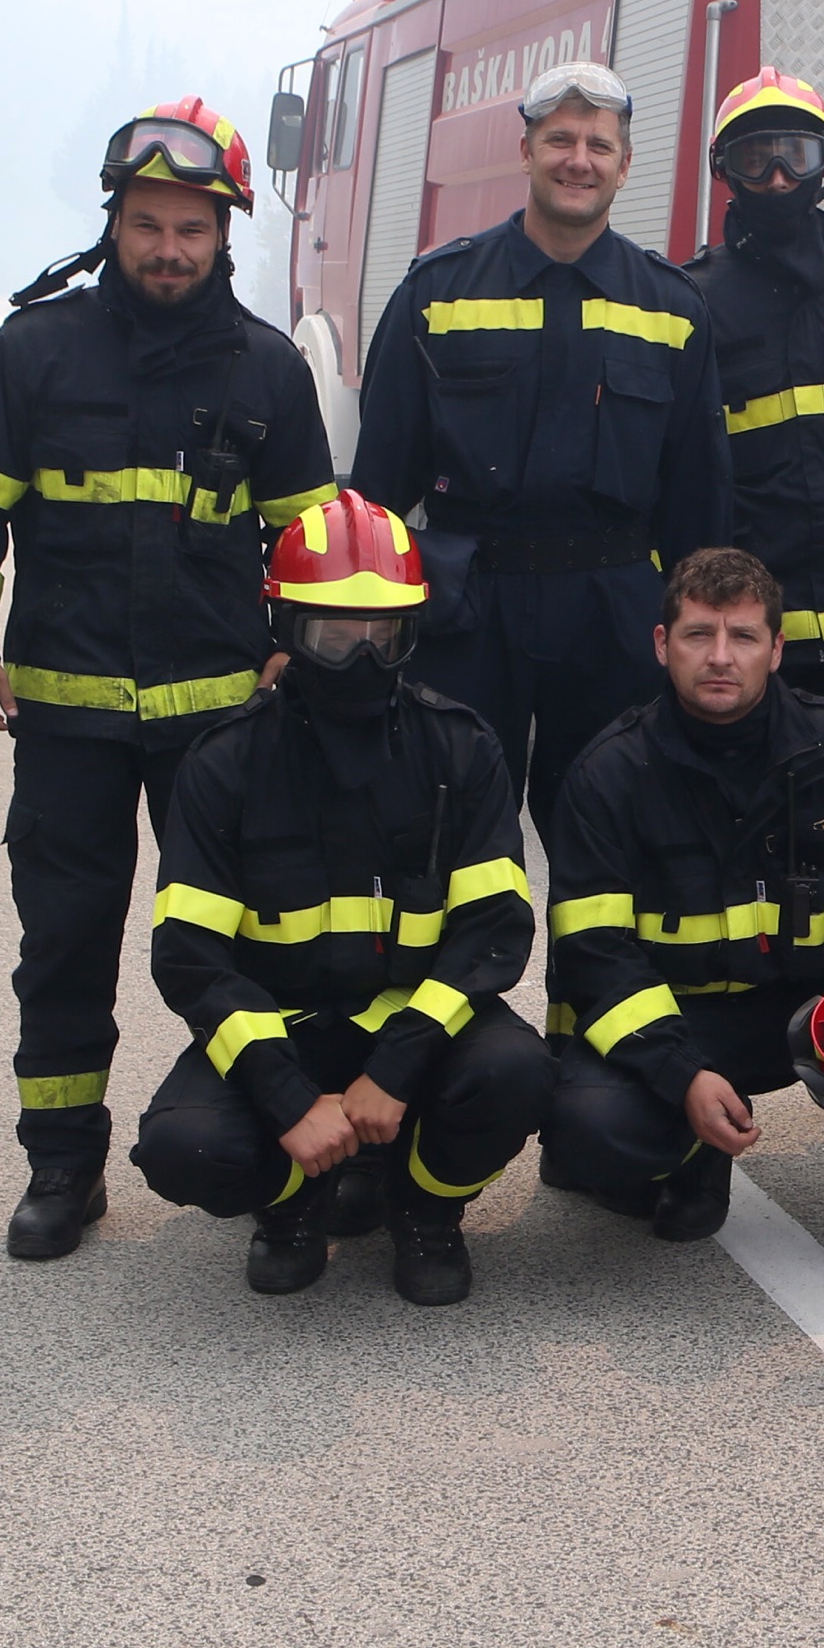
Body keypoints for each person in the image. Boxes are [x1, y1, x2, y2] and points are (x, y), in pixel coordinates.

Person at [0, 98, 339, 1260]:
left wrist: (294, 648)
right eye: (148, 224)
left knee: (262, 946)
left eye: (191, 229)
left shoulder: (267, 367)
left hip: (224, 730)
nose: (168, 249)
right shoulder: (34, 350)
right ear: (114, 222)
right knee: (64, 944)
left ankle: (278, 1166)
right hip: (67, 723)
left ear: (224, 235)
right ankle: (64, 1168)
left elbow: (310, 536)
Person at [129, 492, 550, 1304]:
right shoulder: (223, 764)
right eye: (334, 635)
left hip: (415, 1029)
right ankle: (293, 1205)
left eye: (381, 635)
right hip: (282, 1035)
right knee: (185, 1147)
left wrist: (396, 1067)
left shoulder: (461, 749)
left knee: (518, 1072)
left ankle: (424, 1209)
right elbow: (189, 959)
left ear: (411, 631)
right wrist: (287, 1099)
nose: (360, 657)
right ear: (288, 629)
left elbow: (494, 932)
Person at [540, 547, 824, 1297]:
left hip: (815, 1010)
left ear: (777, 650)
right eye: (699, 634)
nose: (721, 657)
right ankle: (693, 1156)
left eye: (744, 636)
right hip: (681, 1022)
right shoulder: (609, 774)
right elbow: (595, 954)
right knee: (592, 1129)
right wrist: (682, 1076)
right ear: (662, 645)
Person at [351, 61, 731, 824]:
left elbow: (700, 501)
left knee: (611, 834)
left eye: (598, 145)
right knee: (449, 829)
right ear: (525, 151)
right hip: (467, 614)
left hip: (612, 621)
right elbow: (378, 489)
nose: (578, 160)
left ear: (625, 165)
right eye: (560, 140)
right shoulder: (437, 292)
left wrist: (705, 634)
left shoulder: (673, 308)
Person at [681, 71, 824, 690]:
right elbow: (676, 472)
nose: (779, 177)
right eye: (755, 159)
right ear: (726, 170)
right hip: (741, 637)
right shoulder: (691, 299)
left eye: (797, 154)